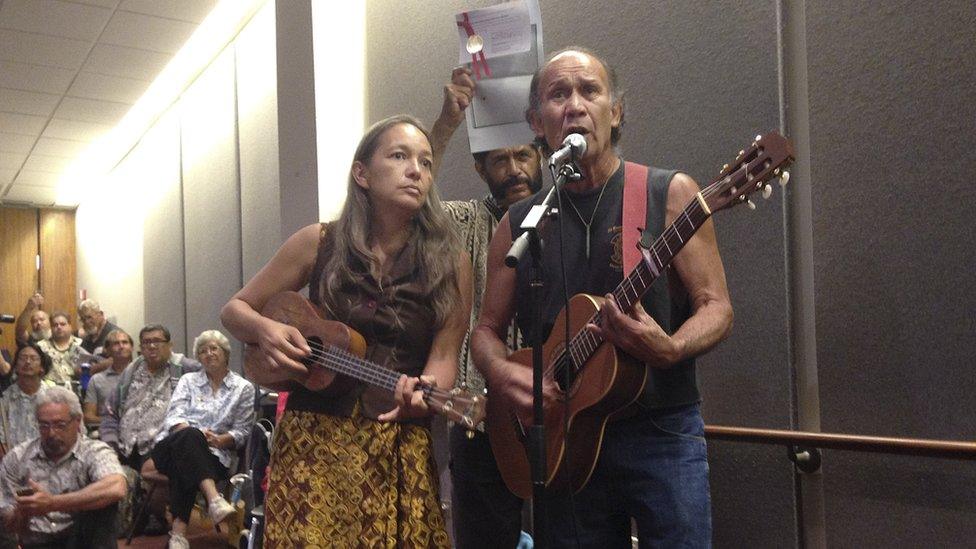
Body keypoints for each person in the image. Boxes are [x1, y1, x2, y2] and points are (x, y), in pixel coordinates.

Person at [471, 47, 734, 547]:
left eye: (589, 91)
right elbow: (484, 331)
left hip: (660, 429)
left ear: (614, 113)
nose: (574, 105)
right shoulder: (519, 223)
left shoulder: (668, 192)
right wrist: (504, 374)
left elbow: (716, 306)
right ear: (536, 122)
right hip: (561, 438)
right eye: (557, 94)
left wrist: (673, 348)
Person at [221, 115, 472, 547]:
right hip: (310, 442)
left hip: (396, 443)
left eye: (426, 163)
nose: (417, 170)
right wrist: (266, 330)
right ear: (362, 173)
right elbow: (234, 310)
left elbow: (446, 354)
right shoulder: (317, 241)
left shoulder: (451, 262)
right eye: (399, 156)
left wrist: (427, 388)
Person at [430, 66, 542, 548]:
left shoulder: (566, 214)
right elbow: (412, 201)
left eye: (523, 155)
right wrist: (446, 124)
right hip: (478, 415)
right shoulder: (465, 219)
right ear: (481, 169)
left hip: (561, 410)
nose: (514, 169)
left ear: (541, 157)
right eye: (500, 160)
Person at [141, 330, 255, 549]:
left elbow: (243, 430)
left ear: (226, 353)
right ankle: (214, 500)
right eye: (202, 351)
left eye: (214, 349)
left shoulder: (243, 388)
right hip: (171, 445)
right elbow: (174, 417)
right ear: (198, 358)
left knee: (184, 464)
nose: (208, 354)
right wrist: (198, 435)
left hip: (215, 454)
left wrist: (222, 440)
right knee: (190, 436)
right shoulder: (188, 381)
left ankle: (178, 535)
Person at [0, 386, 127, 548]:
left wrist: (53, 503)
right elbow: (8, 523)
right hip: (38, 541)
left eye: (60, 425)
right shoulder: (18, 457)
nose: (52, 433)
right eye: (44, 426)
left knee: (105, 506)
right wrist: (23, 512)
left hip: (82, 539)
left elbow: (116, 488)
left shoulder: (94, 451)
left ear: (77, 422)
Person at [98, 325, 201, 470]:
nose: (152, 346)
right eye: (146, 342)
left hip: (162, 450)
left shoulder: (184, 368)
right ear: (141, 347)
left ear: (170, 345)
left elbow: (212, 380)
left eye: (157, 341)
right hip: (124, 448)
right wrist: (110, 444)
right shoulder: (131, 371)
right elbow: (110, 413)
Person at [0, 345, 54, 452]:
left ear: (42, 367)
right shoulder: (4, 399)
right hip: (12, 462)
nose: (28, 362)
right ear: (15, 366)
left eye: (33, 358)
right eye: (23, 358)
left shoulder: (53, 397)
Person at [83, 329, 134, 431]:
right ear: (107, 350)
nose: (121, 346)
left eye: (125, 342)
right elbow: (88, 417)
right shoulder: (96, 380)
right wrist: (116, 422)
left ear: (132, 348)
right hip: (107, 432)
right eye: (116, 343)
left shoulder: (143, 375)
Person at [35, 313, 84, 386]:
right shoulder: (41, 346)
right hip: (49, 390)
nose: (59, 327)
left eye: (62, 324)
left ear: (70, 326)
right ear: (51, 328)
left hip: (77, 389)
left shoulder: (81, 344)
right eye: (55, 325)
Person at [76, 300, 118, 375]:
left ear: (100, 314)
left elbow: (119, 360)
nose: (86, 322)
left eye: (89, 317)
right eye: (83, 319)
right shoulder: (88, 337)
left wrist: (94, 368)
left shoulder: (115, 334)